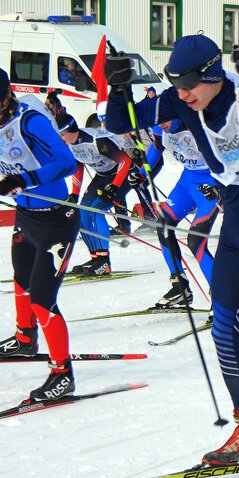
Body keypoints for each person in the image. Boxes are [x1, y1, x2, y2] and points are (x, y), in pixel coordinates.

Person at [105, 34, 239, 478]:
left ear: (213, 75)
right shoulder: (183, 104)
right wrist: (116, 90)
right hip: (236, 223)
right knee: (223, 333)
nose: (181, 94)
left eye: (187, 84)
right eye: (174, 85)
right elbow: (120, 125)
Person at [0, 67, 82, 402]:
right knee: (21, 278)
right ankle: (25, 337)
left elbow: (66, 161)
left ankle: (63, 373)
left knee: (42, 300)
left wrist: (24, 180)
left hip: (55, 222)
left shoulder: (30, 121)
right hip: (26, 216)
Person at [144, 117, 221, 309]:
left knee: (195, 240)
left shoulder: (201, 127)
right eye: (158, 120)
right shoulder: (160, 129)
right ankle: (180, 288)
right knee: (163, 225)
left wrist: (220, 187)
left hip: (209, 184)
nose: (161, 124)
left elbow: (231, 160)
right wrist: (139, 172)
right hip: (186, 184)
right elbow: (156, 148)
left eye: (165, 119)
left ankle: (222, 297)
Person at [56, 114, 140, 276]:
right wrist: (74, 193)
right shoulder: (70, 144)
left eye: (61, 134)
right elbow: (78, 166)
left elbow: (125, 161)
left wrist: (114, 188)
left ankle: (104, 262)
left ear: (70, 129)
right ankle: (96, 258)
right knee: (80, 213)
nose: (60, 138)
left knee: (95, 212)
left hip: (121, 176)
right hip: (102, 177)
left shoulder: (97, 141)